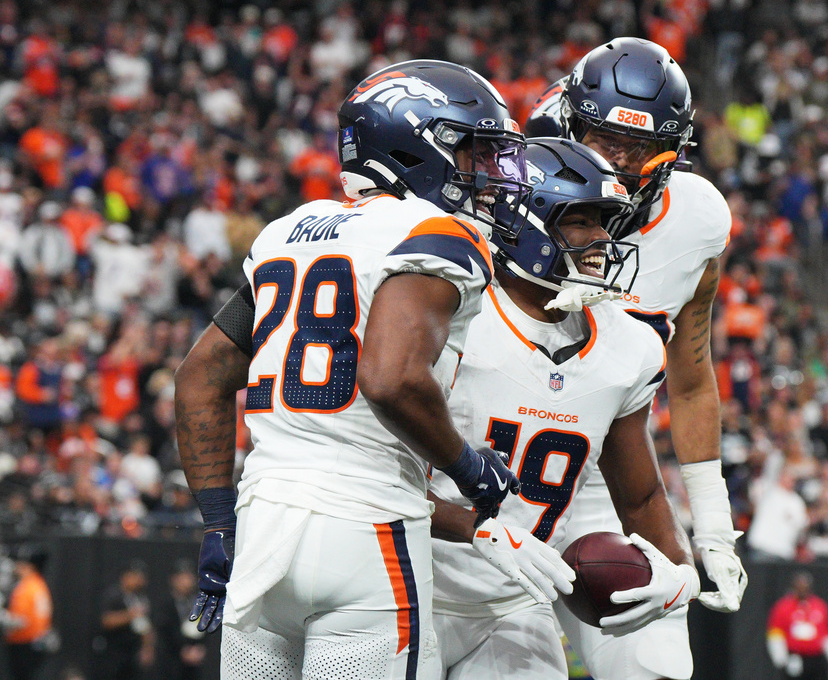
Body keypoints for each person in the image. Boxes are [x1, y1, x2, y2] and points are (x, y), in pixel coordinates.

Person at [175, 60, 528, 678]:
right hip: (368, 528)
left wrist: (218, 523)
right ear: (415, 148)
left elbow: (199, 377)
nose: (490, 172)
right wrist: (469, 469)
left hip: (262, 526)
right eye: (473, 151)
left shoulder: (288, 231)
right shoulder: (438, 233)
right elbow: (391, 379)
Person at [429, 138, 700, 678]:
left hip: (514, 602)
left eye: (603, 221)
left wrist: (681, 572)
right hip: (414, 580)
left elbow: (641, 495)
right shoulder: (455, 315)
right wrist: (477, 528)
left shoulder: (628, 345)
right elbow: (384, 479)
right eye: (579, 220)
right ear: (519, 223)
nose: (602, 238)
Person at [526, 37, 745, 679]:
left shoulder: (697, 221)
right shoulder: (513, 195)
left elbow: (692, 377)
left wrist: (712, 522)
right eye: (602, 139)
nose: (616, 162)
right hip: (490, 469)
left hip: (604, 474)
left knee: (655, 666)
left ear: (672, 153)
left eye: (637, 147)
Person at [766, 572, 828, 680]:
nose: (803, 589)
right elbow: (775, 636)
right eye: (800, 585)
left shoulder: (820, 606)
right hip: (795, 658)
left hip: (816, 659)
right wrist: (782, 660)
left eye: (805, 586)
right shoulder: (783, 607)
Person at [97, 561, 155, 680]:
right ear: (125, 577)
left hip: (134, 652)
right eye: (134, 576)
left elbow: (147, 627)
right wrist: (130, 615)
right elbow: (106, 620)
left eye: (140, 577)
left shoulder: (141, 598)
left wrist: (147, 647)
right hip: (114, 652)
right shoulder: (113, 596)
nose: (137, 580)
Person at [2, 546, 54, 680]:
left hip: (24, 643)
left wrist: (4, 618)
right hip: (34, 642)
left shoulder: (28, 587)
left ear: (29, 567)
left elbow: (22, 620)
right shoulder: (38, 584)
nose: (17, 567)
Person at [155, 560, 210, 680]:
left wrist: (199, 648)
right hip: (171, 662)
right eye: (182, 578)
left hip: (194, 662)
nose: (186, 582)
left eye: (189, 577)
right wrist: (182, 649)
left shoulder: (198, 603)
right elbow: (165, 630)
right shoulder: (166, 604)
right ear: (173, 579)